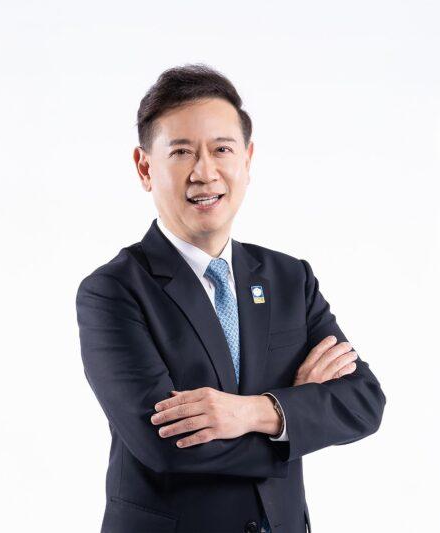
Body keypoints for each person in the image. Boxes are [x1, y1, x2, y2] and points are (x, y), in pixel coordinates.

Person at [75, 63, 386, 533]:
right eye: (182, 152)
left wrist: (255, 411)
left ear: (247, 158)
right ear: (145, 167)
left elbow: (362, 401)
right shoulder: (113, 292)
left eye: (222, 149)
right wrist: (298, 410)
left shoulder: (289, 278)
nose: (205, 172)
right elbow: (167, 446)